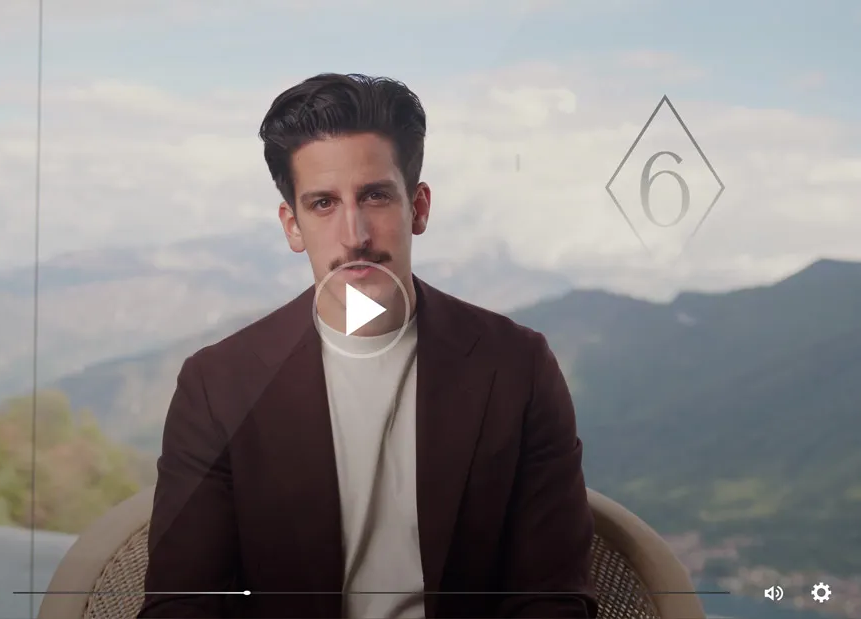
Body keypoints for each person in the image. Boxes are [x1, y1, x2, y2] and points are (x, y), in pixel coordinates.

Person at [139, 73, 598, 619]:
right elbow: (183, 602)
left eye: (375, 196)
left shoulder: (518, 368)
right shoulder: (218, 387)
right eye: (323, 204)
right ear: (292, 225)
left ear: (418, 208)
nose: (354, 234)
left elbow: (551, 596)